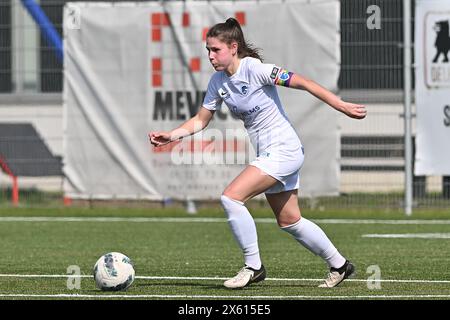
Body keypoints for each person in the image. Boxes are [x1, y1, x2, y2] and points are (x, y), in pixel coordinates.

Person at [149, 18, 366, 289]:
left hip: (284, 150)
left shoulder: (255, 69)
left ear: (233, 47)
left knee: (231, 198)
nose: (210, 56)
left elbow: (304, 82)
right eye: (207, 50)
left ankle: (253, 266)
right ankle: (340, 265)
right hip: (272, 153)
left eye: (215, 49)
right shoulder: (218, 81)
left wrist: (340, 105)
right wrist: (171, 135)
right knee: (289, 220)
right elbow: (200, 120)